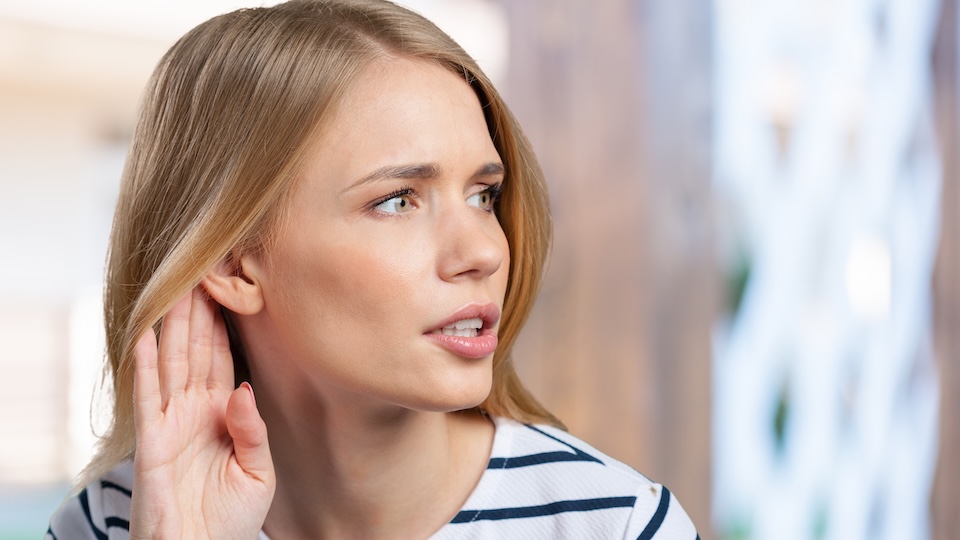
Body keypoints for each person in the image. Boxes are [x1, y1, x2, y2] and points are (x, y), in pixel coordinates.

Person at [45, 0, 699, 538]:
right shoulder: (109, 526)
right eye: (397, 201)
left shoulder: (618, 525)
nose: (486, 251)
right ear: (234, 262)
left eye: (484, 195)